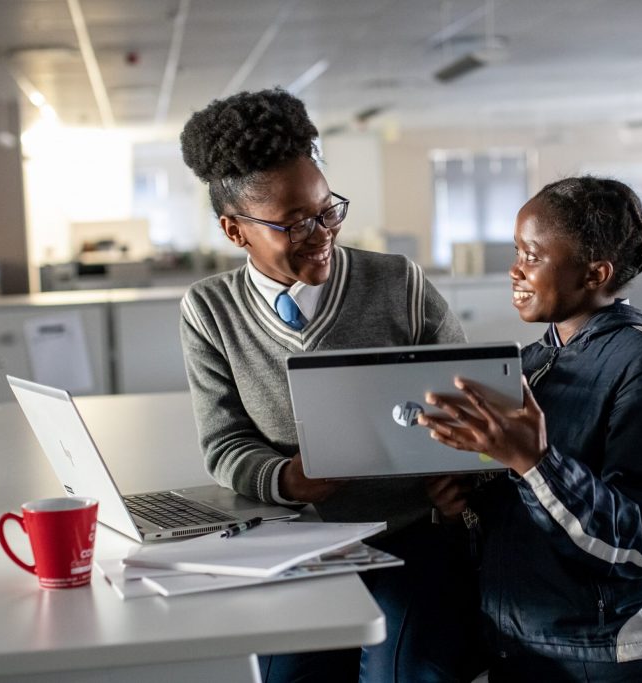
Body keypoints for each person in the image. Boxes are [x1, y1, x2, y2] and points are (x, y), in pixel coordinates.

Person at [177, 88, 480, 683]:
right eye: (294, 224)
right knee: (286, 676)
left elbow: (470, 405)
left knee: (405, 673)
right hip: (296, 544)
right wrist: (289, 479)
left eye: (328, 210)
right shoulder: (209, 309)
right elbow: (223, 443)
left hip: (408, 535)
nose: (322, 232)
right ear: (235, 231)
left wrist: (460, 474)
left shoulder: (397, 283)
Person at [420, 177, 642, 682]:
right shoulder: (527, 366)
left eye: (532, 256)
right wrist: (462, 507)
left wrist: (535, 462)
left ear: (596, 273)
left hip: (620, 659)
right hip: (524, 651)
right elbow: (527, 521)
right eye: (516, 251)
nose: (514, 269)